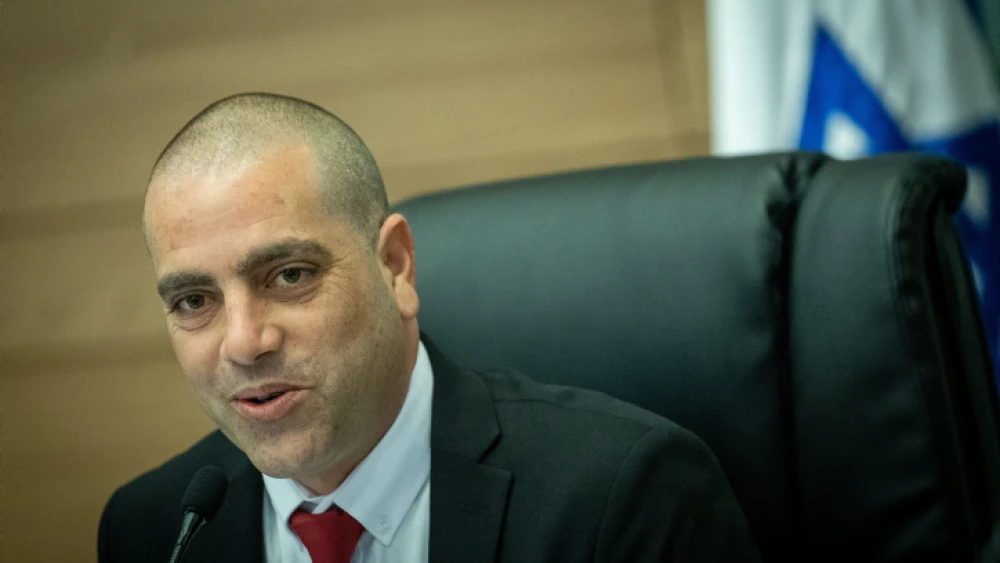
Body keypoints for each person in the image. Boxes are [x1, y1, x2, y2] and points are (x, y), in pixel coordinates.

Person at [98, 92, 762, 563]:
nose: (243, 342)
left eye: (290, 275)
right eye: (193, 300)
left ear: (394, 266)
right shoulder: (155, 530)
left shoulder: (624, 493)